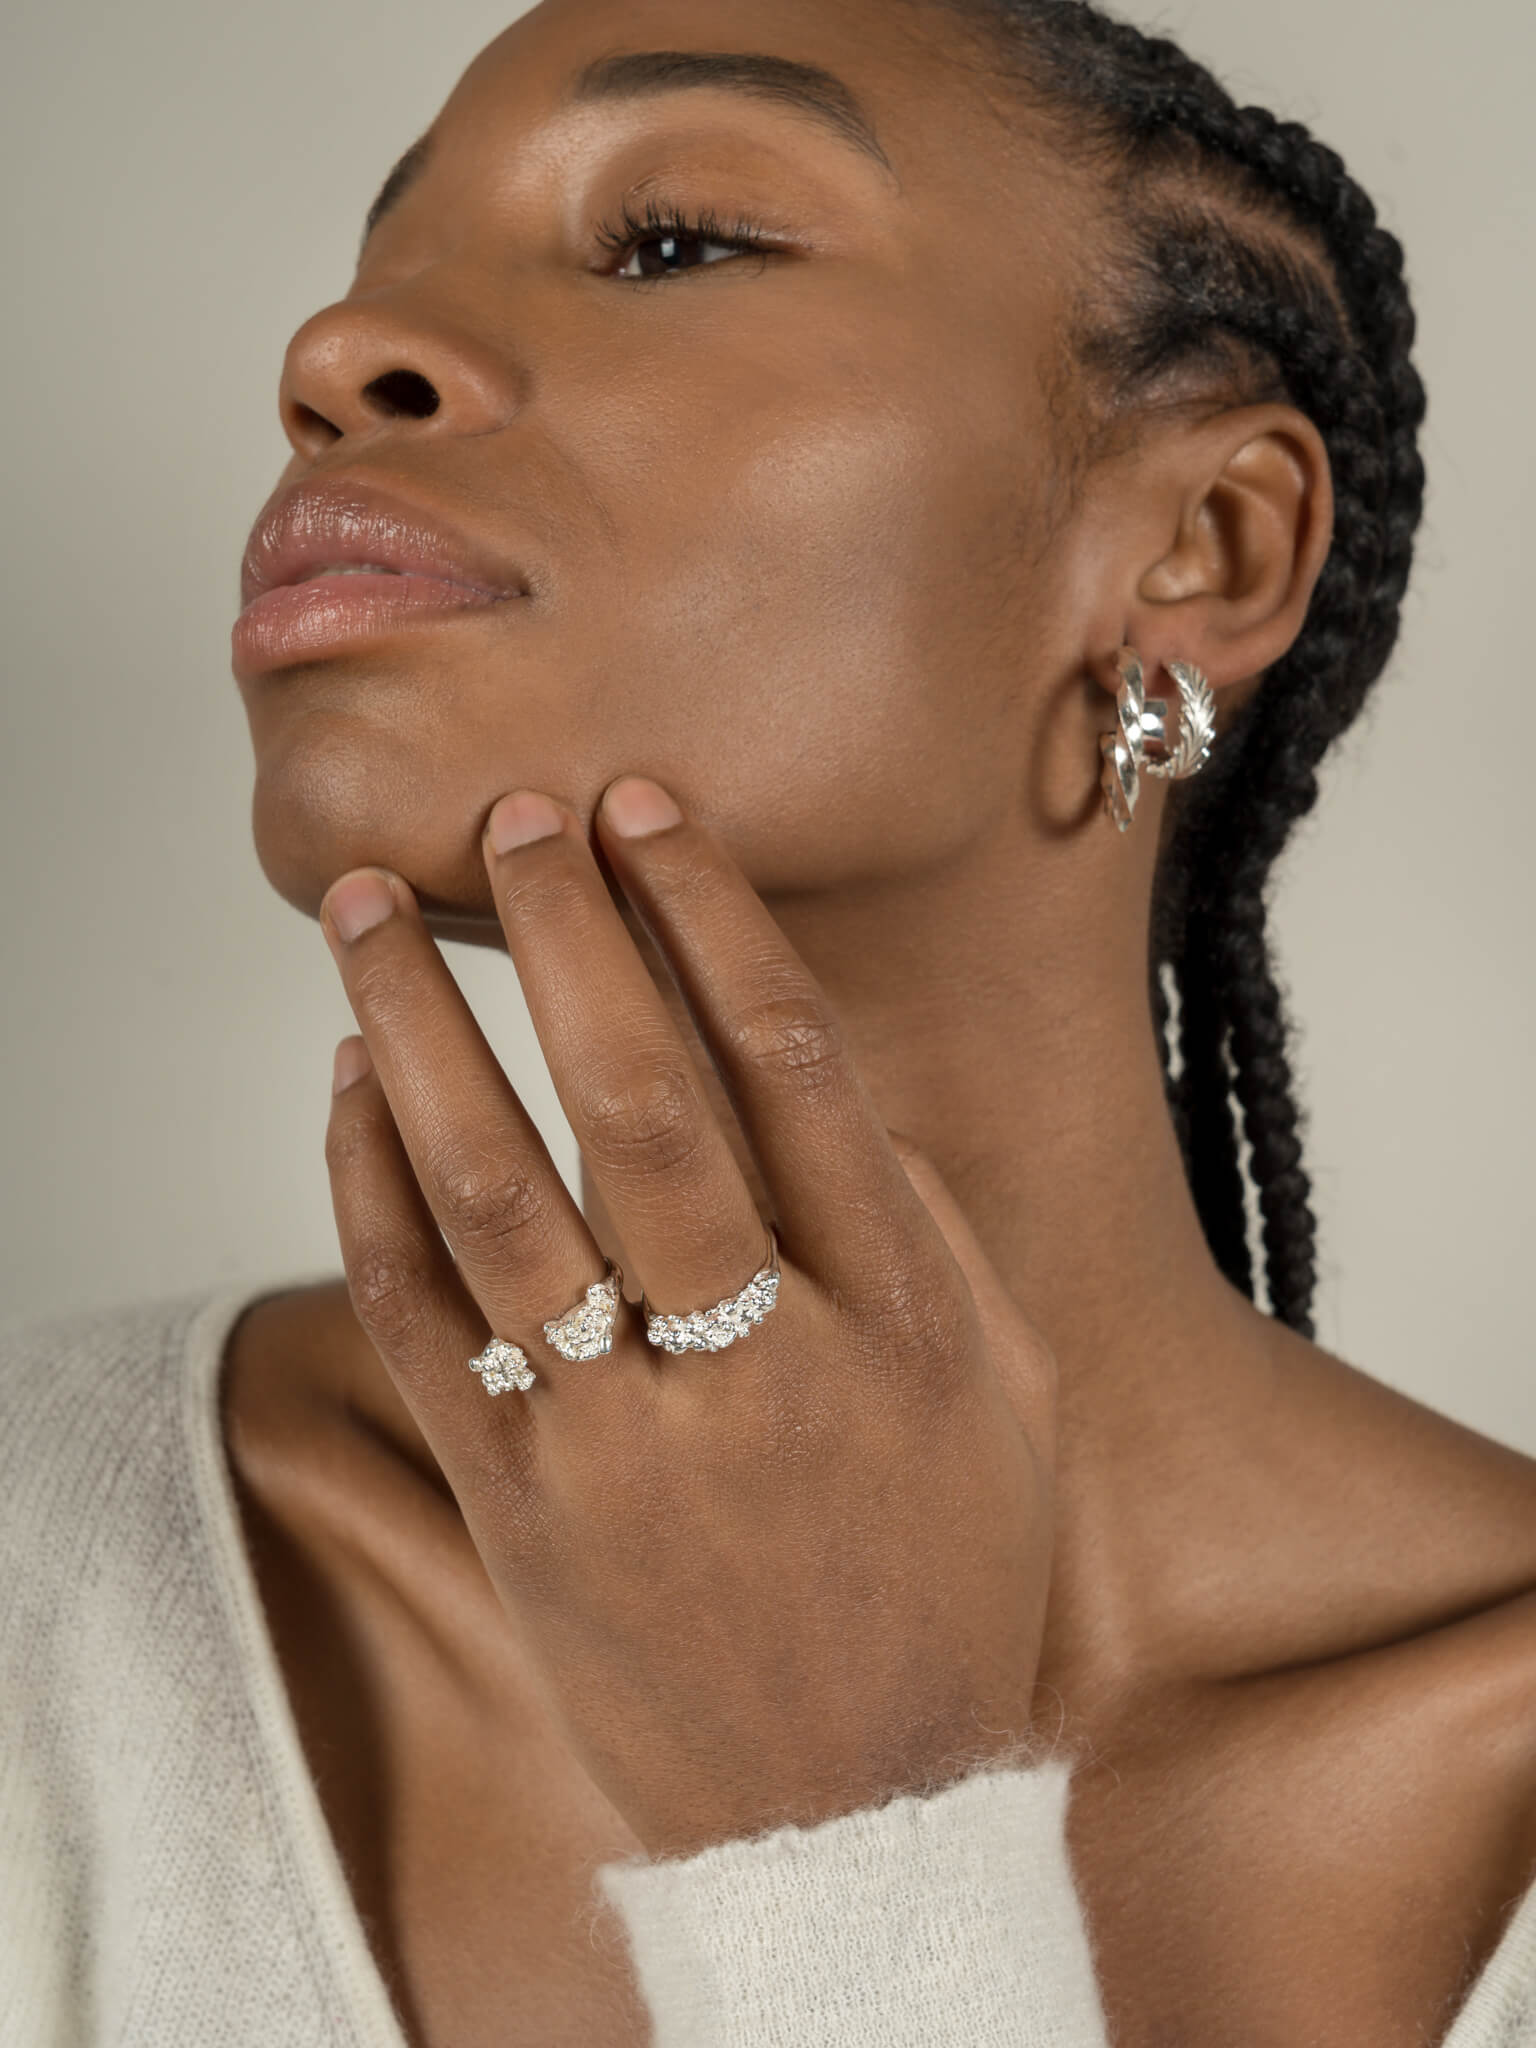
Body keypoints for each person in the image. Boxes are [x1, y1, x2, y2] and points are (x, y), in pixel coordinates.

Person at [5, 0, 1534, 2042]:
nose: (334, 362)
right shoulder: (51, 1574)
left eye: (676, 239)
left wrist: (845, 1823)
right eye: (375, 272)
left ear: (1201, 546)